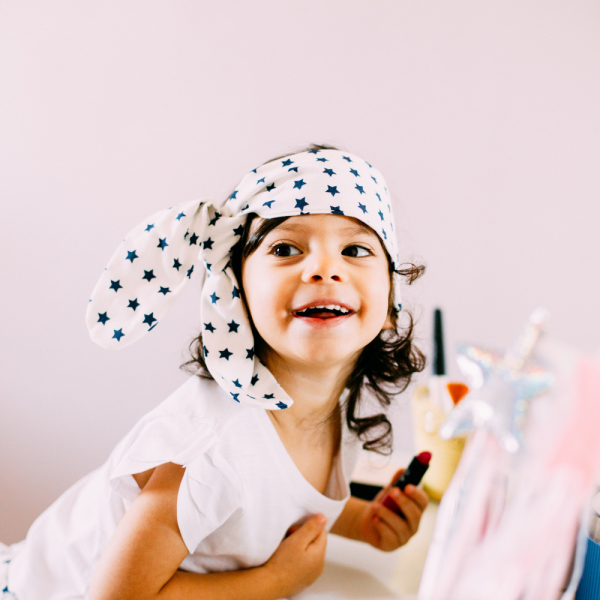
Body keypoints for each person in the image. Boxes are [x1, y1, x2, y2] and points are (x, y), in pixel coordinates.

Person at [0, 144, 428, 600]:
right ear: (236, 294)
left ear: (390, 304)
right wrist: (276, 581)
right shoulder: (212, 450)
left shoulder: (326, 413)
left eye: (355, 249)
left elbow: (270, 498)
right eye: (285, 248)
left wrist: (363, 523)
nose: (324, 268)